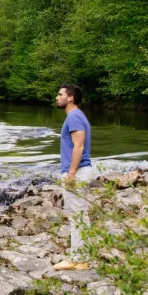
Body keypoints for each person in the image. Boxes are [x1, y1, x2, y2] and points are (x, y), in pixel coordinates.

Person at [54, 83, 94, 271]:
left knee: (76, 216)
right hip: (79, 171)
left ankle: (78, 260)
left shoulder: (75, 118)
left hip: (77, 172)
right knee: (80, 215)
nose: (57, 97)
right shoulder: (76, 116)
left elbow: (79, 147)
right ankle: (81, 257)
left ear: (70, 98)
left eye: (60, 94)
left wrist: (70, 173)